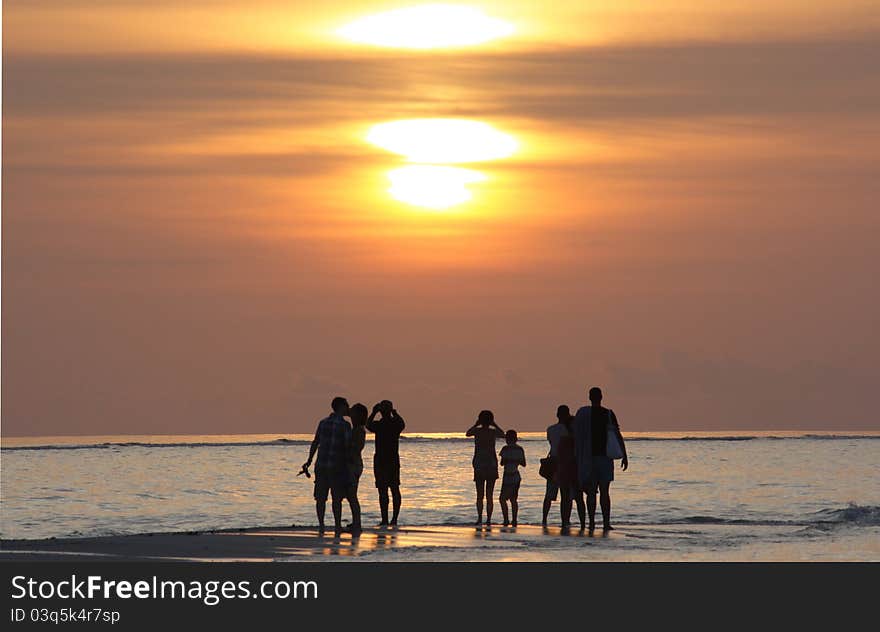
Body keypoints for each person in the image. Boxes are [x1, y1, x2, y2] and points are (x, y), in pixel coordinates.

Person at [573, 387, 628, 531]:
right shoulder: (608, 414)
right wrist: (624, 454)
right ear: (601, 397)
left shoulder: (582, 414)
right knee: (605, 491)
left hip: (588, 457)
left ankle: (591, 523)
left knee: (591, 492)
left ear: (589, 397)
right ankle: (605, 523)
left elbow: (575, 434)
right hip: (604, 457)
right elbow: (617, 434)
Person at [302, 397, 353, 534]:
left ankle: (322, 525)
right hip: (337, 466)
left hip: (321, 465)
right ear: (341, 406)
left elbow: (315, 442)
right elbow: (348, 448)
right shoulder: (345, 425)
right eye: (346, 405)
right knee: (337, 498)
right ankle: (337, 525)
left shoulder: (323, 422)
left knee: (320, 498)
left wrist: (309, 460)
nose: (348, 408)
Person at [544, 405, 586, 529]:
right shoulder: (573, 430)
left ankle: (553, 520)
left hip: (555, 463)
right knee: (577, 496)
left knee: (555, 495)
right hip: (572, 463)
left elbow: (552, 444)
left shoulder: (551, 429)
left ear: (557, 415)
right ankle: (583, 523)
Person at [366, 400, 405, 526]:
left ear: (381, 412)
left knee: (383, 491)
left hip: (382, 460)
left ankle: (385, 519)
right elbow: (402, 424)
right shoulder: (394, 423)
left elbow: (367, 425)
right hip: (392, 459)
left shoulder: (379, 425)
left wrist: (373, 412)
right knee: (394, 489)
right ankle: (393, 519)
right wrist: (395, 413)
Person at [466, 410, 505, 525]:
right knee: (489, 494)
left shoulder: (477, 431)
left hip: (479, 464)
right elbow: (503, 434)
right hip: (491, 464)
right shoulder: (492, 432)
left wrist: (476, 424)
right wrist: (495, 424)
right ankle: (488, 519)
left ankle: (479, 518)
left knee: (480, 494)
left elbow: (468, 433)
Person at [345, 403, 368, 532]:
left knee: (352, 495)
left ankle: (357, 523)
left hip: (353, 465)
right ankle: (356, 522)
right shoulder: (357, 428)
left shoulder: (358, 430)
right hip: (354, 464)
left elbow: (356, 448)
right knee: (350, 495)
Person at [499, 429, 526, 527]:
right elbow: (523, 463)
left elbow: (502, 463)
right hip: (516, 475)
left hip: (507, 476)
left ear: (507, 439)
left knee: (502, 499)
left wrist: (508, 459)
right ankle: (514, 520)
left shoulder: (505, 449)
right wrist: (516, 460)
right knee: (513, 499)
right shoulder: (520, 449)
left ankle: (506, 519)